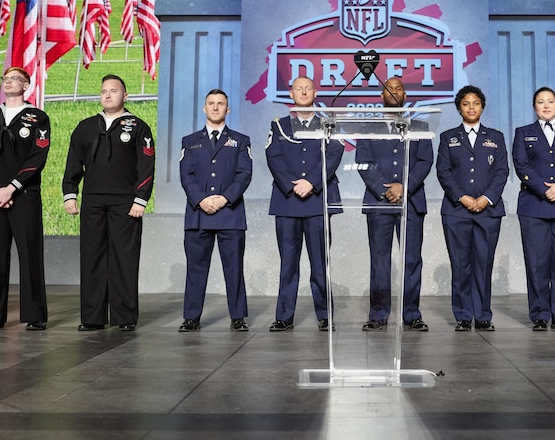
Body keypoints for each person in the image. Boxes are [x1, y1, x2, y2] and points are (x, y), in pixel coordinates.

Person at [63, 75, 155, 332]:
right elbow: (73, 162)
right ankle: (92, 317)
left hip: (125, 203)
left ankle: (124, 317)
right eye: (104, 91)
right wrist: (70, 193)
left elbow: (146, 166)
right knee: (92, 257)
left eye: (113, 91)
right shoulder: (86, 127)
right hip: (92, 200)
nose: (108, 95)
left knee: (124, 258)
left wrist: (140, 199)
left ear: (125, 96)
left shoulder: (138, 127)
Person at [0, 67, 51, 332]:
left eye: (15, 79)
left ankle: (35, 313)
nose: (9, 82)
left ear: (26, 85)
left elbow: (38, 156)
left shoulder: (37, 117)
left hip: (24, 195)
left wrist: (12, 188)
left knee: (29, 254)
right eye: (5, 79)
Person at [265, 75, 344, 331]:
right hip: (287, 201)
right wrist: (293, 184)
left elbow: (334, 155)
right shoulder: (278, 125)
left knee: (320, 263)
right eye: (298, 88)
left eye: (308, 88)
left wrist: (311, 182)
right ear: (291, 93)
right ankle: (284, 316)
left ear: (315, 92)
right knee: (288, 263)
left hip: (317, 200)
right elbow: (273, 156)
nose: (303, 92)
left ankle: (325, 316)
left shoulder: (328, 124)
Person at [355, 76, 434, 332]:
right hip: (379, 202)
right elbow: (363, 162)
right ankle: (378, 314)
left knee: (412, 259)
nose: (394, 92)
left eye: (399, 88)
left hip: (411, 202)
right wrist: (383, 189)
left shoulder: (420, 126)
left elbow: (425, 161)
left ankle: (411, 314)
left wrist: (404, 186)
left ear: (405, 94)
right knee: (380, 260)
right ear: (382, 95)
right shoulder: (368, 128)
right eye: (389, 89)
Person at [177, 89, 253, 332]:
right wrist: (201, 200)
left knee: (234, 268)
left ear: (227, 109)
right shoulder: (189, 141)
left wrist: (224, 199)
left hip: (230, 214)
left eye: (221, 104)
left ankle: (238, 317)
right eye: (211, 103)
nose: (216, 107)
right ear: (204, 108)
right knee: (195, 268)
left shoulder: (241, 140)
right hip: (198, 214)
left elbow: (244, 175)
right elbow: (186, 176)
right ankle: (191, 317)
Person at [511, 87, 555, 332]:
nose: (546, 105)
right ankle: (540, 315)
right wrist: (544, 189)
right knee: (536, 263)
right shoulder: (523, 133)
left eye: (550, 101)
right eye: (541, 102)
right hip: (534, 207)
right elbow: (520, 165)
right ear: (534, 106)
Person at [436, 85, 509, 332]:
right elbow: (443, 172)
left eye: (475, 103)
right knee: (460, 265)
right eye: (466, 103)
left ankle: (483, 314)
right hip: (456, 211)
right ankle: (464, 316)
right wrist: (462, 198)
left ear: (482, 106)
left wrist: (486, 198)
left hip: (488, 212)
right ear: (459, 108)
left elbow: (502, 172)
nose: (471, 107)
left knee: (483, 263)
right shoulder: (448, 137)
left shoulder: (495, 137)